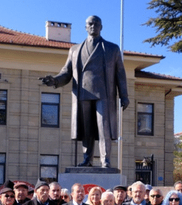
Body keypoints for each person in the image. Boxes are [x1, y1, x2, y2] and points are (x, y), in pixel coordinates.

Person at [41, 15, 129, 168]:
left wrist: (124, 95)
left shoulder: (112, 48)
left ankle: (105, 160)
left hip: (104, 94)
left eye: (96, 24)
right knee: (86, 129)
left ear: (101, 27)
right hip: (83, 94)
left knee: (104, 129)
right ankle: (87, 159)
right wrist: (55, 80)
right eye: (90, 24)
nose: (93, 26)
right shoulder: (75, 50)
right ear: (86, 27)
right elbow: (66, 72)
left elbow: (120, 74)